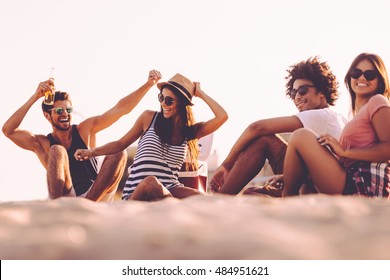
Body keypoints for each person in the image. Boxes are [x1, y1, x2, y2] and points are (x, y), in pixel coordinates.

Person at [2, 70, 162, 201]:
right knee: (57, 150)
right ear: (47, 115)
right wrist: (35, 96)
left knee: (119, 153)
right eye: (59, 111)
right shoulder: (42, 143)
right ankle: (56, 211)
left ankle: (87, 205)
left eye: (68, 110)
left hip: (97, 194)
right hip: (66, 197)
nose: (65, 114)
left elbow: (119, 110)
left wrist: (148, 85)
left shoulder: (85, 129)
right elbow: (8, 130)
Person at [74, 73, 228, 201]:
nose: (163, 104)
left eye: (169, 100)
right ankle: (174, 206)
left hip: (171, 188)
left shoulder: (190, 131)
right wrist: (91, 152)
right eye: (161, 98)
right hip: (137, 192)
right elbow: (121, 143)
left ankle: (174, 206)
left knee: (202, 198)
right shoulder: (149, 118)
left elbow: (222, 116)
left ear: (182, 104)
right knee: (151, 183)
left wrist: (200, 94)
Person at [210, 56, 347, 195]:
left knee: (265, 140)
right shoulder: (337, 117)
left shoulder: (321, 115)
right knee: (251, 193)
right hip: (316, 180)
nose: (297, 97)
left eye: (303, 90)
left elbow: (257, 127)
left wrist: (227, 165)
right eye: (293, 93)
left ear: (322, 91)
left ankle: (222, 197)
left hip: (324, 187)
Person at [282, 53, 390, 197]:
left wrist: (344, 152)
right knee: (305, 181)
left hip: (364, 181)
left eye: (370, 74)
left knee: (301, 136)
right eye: (356, 73)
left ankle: (285, 198)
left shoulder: (378, 101)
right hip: (350, 177)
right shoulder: (355, 116)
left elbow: (388, 148)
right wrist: (289, 176)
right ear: (350, 77)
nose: (362, 78)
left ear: (380, 81)